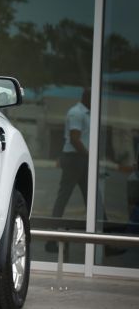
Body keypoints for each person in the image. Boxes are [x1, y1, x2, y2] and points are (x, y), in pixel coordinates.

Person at [46, 89, 91, 253]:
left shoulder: (88, 113)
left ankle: (106, 243)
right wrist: (90, 156)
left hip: (81, 159)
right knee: (63, 198)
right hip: (75, 159)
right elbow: (74, 138)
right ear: (87, 97)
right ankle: (50, 240)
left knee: (93, 199)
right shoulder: (77, 113)